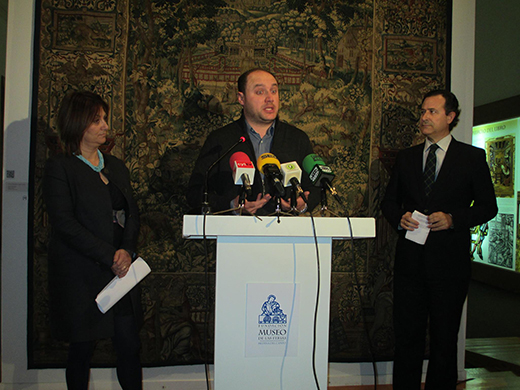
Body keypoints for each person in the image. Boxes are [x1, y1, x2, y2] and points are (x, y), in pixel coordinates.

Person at [382, 89, 497, 390]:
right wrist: (400, 219)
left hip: (450, 265)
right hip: (410, 264)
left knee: (445, 339)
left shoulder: (472, 158)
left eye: (432, 112)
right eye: (422, 112)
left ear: (450, 117)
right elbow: (389, 203)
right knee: (408, 336)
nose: (424, 117)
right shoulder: (406, 159)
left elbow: (488, 207)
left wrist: (453, 219)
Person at [43, 91, 142, 390]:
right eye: (96, 120)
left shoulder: (117, 166)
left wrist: (126, 250)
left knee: (129, 345)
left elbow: (133, 213)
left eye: (105, 119)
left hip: (121, 271)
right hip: (82, 273)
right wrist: (109, 255)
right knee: (82, 349)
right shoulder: (60, 167)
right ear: (77, 124)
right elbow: (64, 224)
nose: (105, 126)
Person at [187, 68, 318, 215]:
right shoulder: (220, 140)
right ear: (241, 99)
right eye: (260, 92)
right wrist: (231, 205)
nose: (270, 98)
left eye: (274, 91)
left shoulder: (297, 139)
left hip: (285, 231)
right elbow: (195, 193)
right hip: (233, 232)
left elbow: (315, 188)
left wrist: (303, 204)